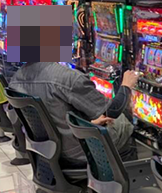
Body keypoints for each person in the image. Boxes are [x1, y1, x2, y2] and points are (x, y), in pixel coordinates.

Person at [9, 63, 139, 165]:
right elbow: (112, 111)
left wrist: (89, 123)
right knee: (125, 122)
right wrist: (126, 86)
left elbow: (50, 119)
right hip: (78, 151)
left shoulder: (16, 78)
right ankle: (123, 184)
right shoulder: (67, 78)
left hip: (46, 151)